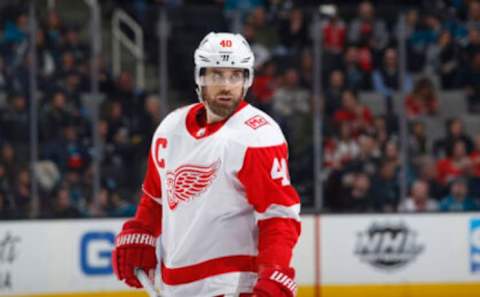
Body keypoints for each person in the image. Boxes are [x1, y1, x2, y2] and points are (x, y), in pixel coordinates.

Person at [111, 32, 301, 297]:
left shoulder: (257, 136)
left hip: (231, 286)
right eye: (216, 74)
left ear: (246, 80)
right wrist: (141, 231)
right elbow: (156, 198)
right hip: (172, 286)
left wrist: (274, 271)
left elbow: (278, 216)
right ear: (200, 77)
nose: (226, 85)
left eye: (235, 75)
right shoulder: (170, 129)